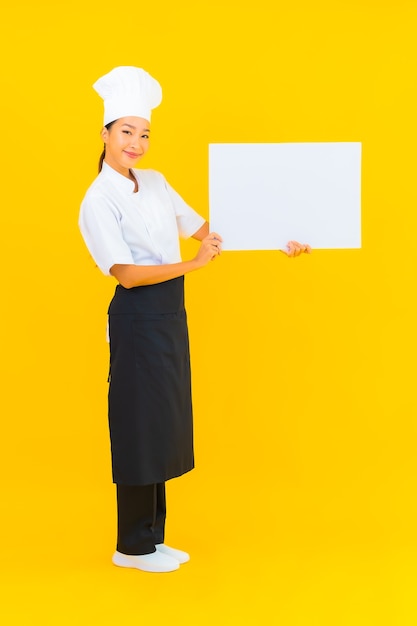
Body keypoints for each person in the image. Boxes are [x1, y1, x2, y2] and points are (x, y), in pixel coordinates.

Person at [79, 65, 311, 574]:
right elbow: (125, 273)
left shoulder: (157, 182)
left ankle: (152, 539)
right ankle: (130, 548)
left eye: (144, 134)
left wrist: (282, 237)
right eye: (126, 132)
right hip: (139, 317)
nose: (137, 143)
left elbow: (211, 228)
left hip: (169, 315)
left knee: (161, 423)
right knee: (140, 425)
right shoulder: (97, 199)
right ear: (105, 133)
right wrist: (193, 264)